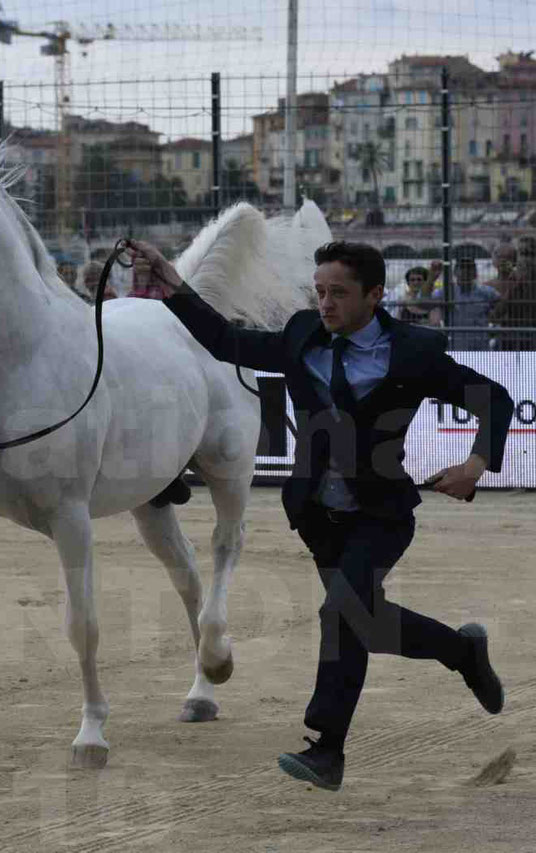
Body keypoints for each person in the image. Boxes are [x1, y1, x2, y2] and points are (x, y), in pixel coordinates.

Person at [125, 237, 514, 792]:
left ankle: (326, 749)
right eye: (320, 292)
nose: (325, 303)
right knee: (366, 622)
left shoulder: (415, 353)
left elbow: (493, 398)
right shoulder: (302, 335)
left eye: (339, 294)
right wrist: (171, 284)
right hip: (316, 514)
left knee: (342, 614)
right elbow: (225, 341)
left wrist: (476, 462)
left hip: (381, 515)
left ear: (375, 296)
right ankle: (462, 651)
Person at [431, 257, 499, 350]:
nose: (466, 271)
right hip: (455, 347)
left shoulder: (487, 293)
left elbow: (502, 307)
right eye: (462, 268)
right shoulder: (446, 292)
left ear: (475, 273)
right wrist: (431, 278)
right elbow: (423, 300)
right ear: (455, 272)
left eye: (469, 268)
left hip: (481, 347)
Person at [491, 235, 536, 351]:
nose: (526, 260)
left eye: (530, 254)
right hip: (510, 338)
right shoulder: (507, 281)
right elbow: (495, 316)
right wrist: (514, 287)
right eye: (522, 254)